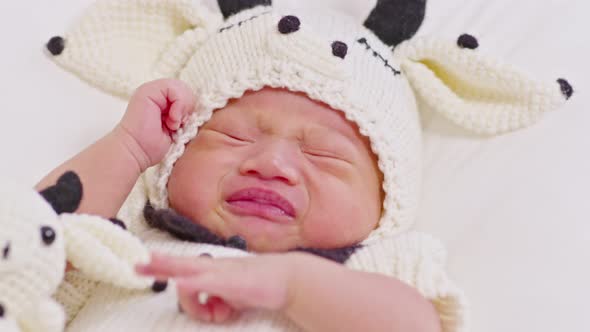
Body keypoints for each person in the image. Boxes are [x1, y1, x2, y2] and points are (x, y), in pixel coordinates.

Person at [37, 0, 572, 331]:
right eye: (232, 134)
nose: (272, 164)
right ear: (173, 159)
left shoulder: (371, 272)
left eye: (324, 155)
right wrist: (129, 148)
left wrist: (294, 287)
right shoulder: (130, 232)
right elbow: (30, 240)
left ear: (386, 201)